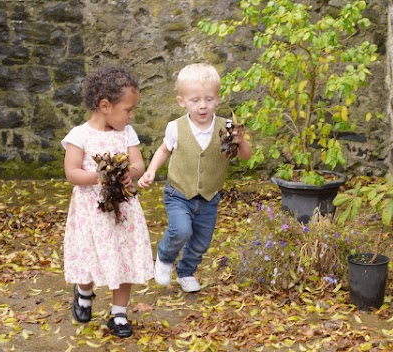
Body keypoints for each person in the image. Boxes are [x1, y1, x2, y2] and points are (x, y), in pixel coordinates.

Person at [138, 63, 252, 293]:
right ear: (182, 101)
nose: (202, 106)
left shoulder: (227, 127)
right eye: (195, 100)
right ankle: (164, 256)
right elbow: (163, 150)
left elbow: (246, 156)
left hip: (209, 197)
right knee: (181, 230)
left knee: (201, 242)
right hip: (178, 193)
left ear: (217, 99)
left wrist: (241, 141)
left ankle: (186, 272)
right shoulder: (176, 127)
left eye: (209, 99)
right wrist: (151, 171)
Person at [61, 64, 153, 338]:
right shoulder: (79, 135)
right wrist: (99, 178)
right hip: (91, 211)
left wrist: (129, 175)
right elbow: (72, 172)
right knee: (90, 255)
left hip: (123, 210)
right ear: (104, 105)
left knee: (123, 256)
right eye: (128, 109)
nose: (131, 115)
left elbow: (138, 164)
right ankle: (84, 292)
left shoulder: (127, 133)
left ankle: (119, 313)